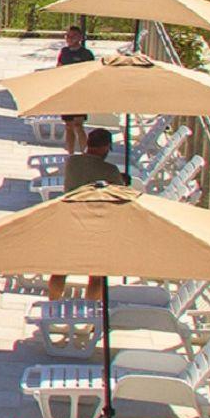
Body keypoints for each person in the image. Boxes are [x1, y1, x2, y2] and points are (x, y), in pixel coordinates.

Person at [48, 129, 126, 299]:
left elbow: (87, 174)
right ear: (105, 147)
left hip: (69, 220)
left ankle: (53, 302)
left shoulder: (72, 162)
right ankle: (90, 314)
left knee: (60, 271)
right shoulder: (110, 170)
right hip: (96, 226)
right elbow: (121, 193)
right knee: (97, 275)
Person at [54, 24, 95, 153]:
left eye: (73, 36)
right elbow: (59, 68)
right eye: (68, 36)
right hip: (67, 91)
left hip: (79, 92)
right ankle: (70, 153)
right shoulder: (64, 52)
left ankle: (85, 153)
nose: (70, 39)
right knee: (68, 126)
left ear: (80, 38)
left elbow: (90, 72)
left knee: (78, 125)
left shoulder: (86, 54)